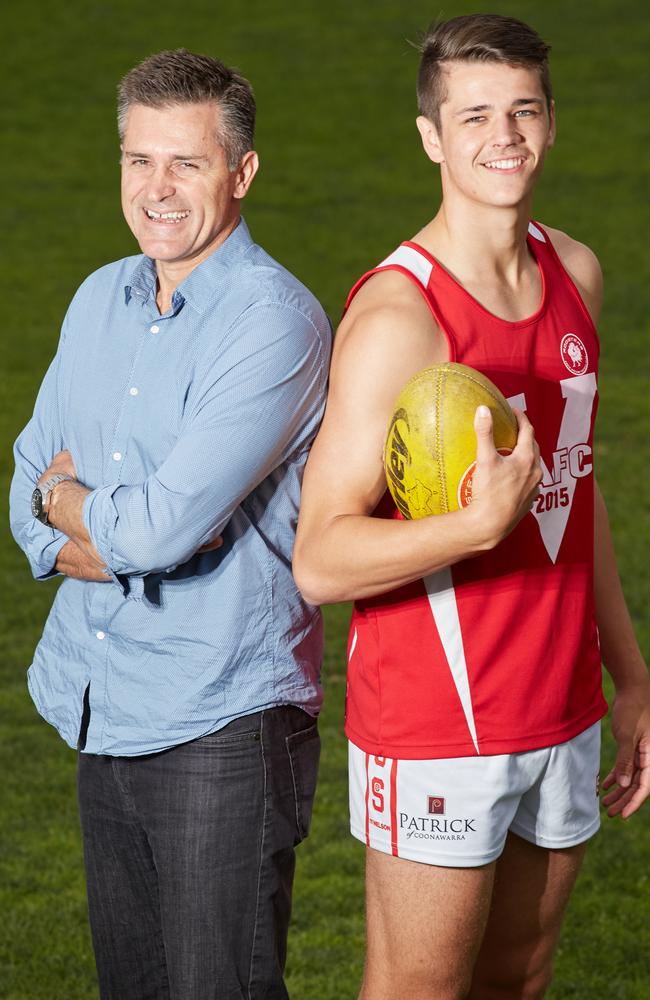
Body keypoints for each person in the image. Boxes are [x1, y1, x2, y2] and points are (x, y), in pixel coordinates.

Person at [293, 14, 650, 999]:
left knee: (520, 976)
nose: (503, 135)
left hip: (562, 705)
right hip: (440, 719)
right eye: (475, 115)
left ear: (547, 121)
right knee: (417, 989)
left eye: (522, 110)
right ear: (430, 137)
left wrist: (629, 675)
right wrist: (469, 527)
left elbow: (576, 494)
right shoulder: (400, 318)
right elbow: (319, 557)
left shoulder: (575, 273)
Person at [10, 49, 331, 1000]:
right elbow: (28, 477)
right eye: (137, 159)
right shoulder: (95, 298)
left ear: (241, 172)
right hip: (101, 707)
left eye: (185, 163)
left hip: (219, 722)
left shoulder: (273, 322)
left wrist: (79, 511)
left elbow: (152, 535)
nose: (157, 189)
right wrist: (65, 515)